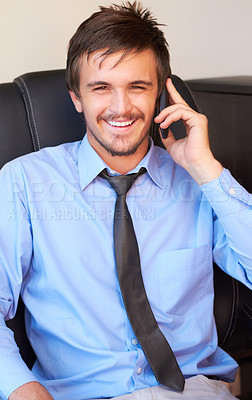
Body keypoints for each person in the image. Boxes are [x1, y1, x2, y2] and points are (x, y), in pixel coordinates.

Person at [0, 2, 251, 400]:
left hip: (193, 391)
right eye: (101, 88)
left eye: (138, 86)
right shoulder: (24, 182)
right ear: (77, 98)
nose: (121, 108)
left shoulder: (197, 182)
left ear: (160, 96)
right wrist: (22, 388)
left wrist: (206, 170)